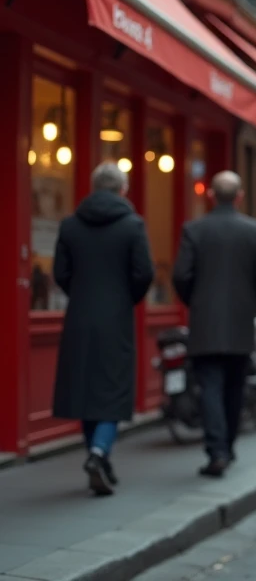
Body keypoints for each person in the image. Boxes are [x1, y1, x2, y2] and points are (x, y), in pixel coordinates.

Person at [51, 162, 154, 496]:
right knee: (113, 389)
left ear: (94, 187)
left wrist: (81, 294)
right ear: (123, 190)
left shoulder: (70, 225)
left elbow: (60, 272)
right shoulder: (132, 225)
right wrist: (125, 298)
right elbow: (144, 273)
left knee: (85, 389)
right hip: (116, 318)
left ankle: (99, 459)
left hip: (79, 316)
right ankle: (98, 453)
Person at [172, 171, 256, 478]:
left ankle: (217, 450)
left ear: (211, 195)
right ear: (240, 196)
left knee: (210, 387)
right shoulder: (255, 231)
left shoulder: (195, 230)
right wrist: (246, 296)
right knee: (234, 387)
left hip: (205, 321)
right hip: (240, 321)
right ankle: (226, 447)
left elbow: (181, 275)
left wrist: (197, 300)